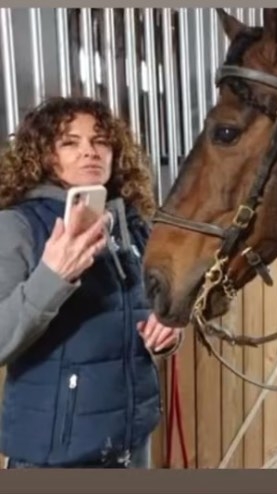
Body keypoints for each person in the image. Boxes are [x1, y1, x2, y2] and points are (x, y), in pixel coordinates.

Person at [0, 96, 184, 468]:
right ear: (44, 155)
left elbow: (151, 314)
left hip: (131, 442)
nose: (90, 152)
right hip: (56, 457)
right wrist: (53, 277)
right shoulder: (16, 227)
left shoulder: (133, 224)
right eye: (70, 142)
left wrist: (168, 331)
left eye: (100, 141)